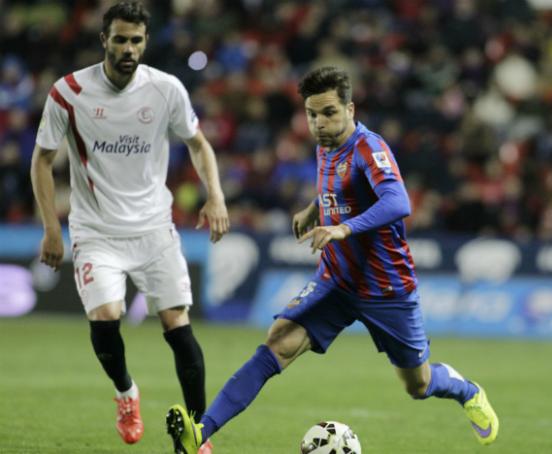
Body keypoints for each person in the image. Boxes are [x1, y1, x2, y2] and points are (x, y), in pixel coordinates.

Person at [165, 66, 499, 453]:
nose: (319, 123)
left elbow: (397, 201)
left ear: (350, 109)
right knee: (277, 343)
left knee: (418, 384)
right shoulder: (325, 147)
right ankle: (200, 434)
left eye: (328, 113)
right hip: (337, 281)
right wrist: (314, 209)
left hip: (386, 287)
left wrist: (343, 229)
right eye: (311, 114)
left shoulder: (369, 148)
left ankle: (467, 391)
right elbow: (342, 189)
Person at [30, 2, 227, 452]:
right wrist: (51, 227)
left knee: (177, 324)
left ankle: (198, 435)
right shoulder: (69, 92)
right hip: (96, 231)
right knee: (106, 317)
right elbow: (41, 161)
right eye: (119, 39)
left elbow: (199, 145)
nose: (128, 48)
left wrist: (214, 194)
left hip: (155, 229)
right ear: (104, 40)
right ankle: (126, 393)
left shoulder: (166, 89)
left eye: (136, 40)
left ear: (145, 42)